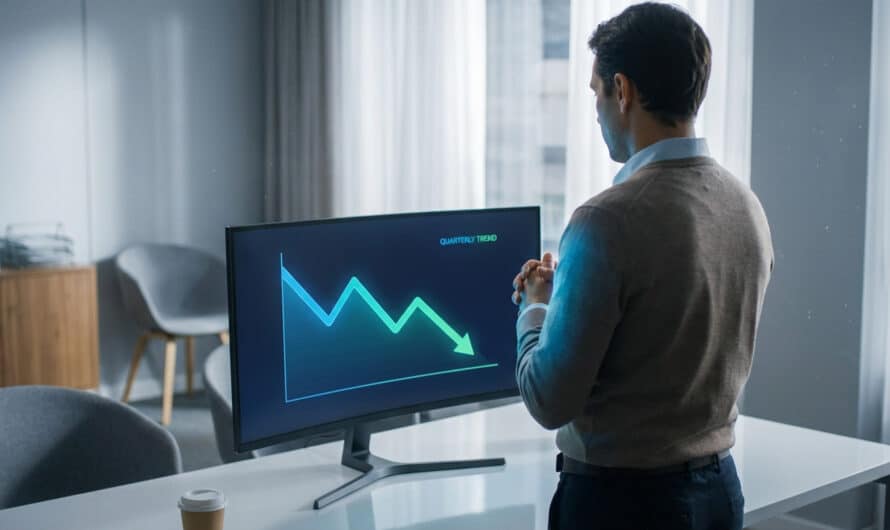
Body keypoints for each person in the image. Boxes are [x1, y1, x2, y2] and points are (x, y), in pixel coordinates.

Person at [510, 3, 774, 529]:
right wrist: (577, 298)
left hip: (623, 506)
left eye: (596, 93)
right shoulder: (746, 206)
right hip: (719, 495)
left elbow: (547, 399)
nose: (597, 109)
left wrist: (537, 310)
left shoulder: (606, 221)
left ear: (623, 91)